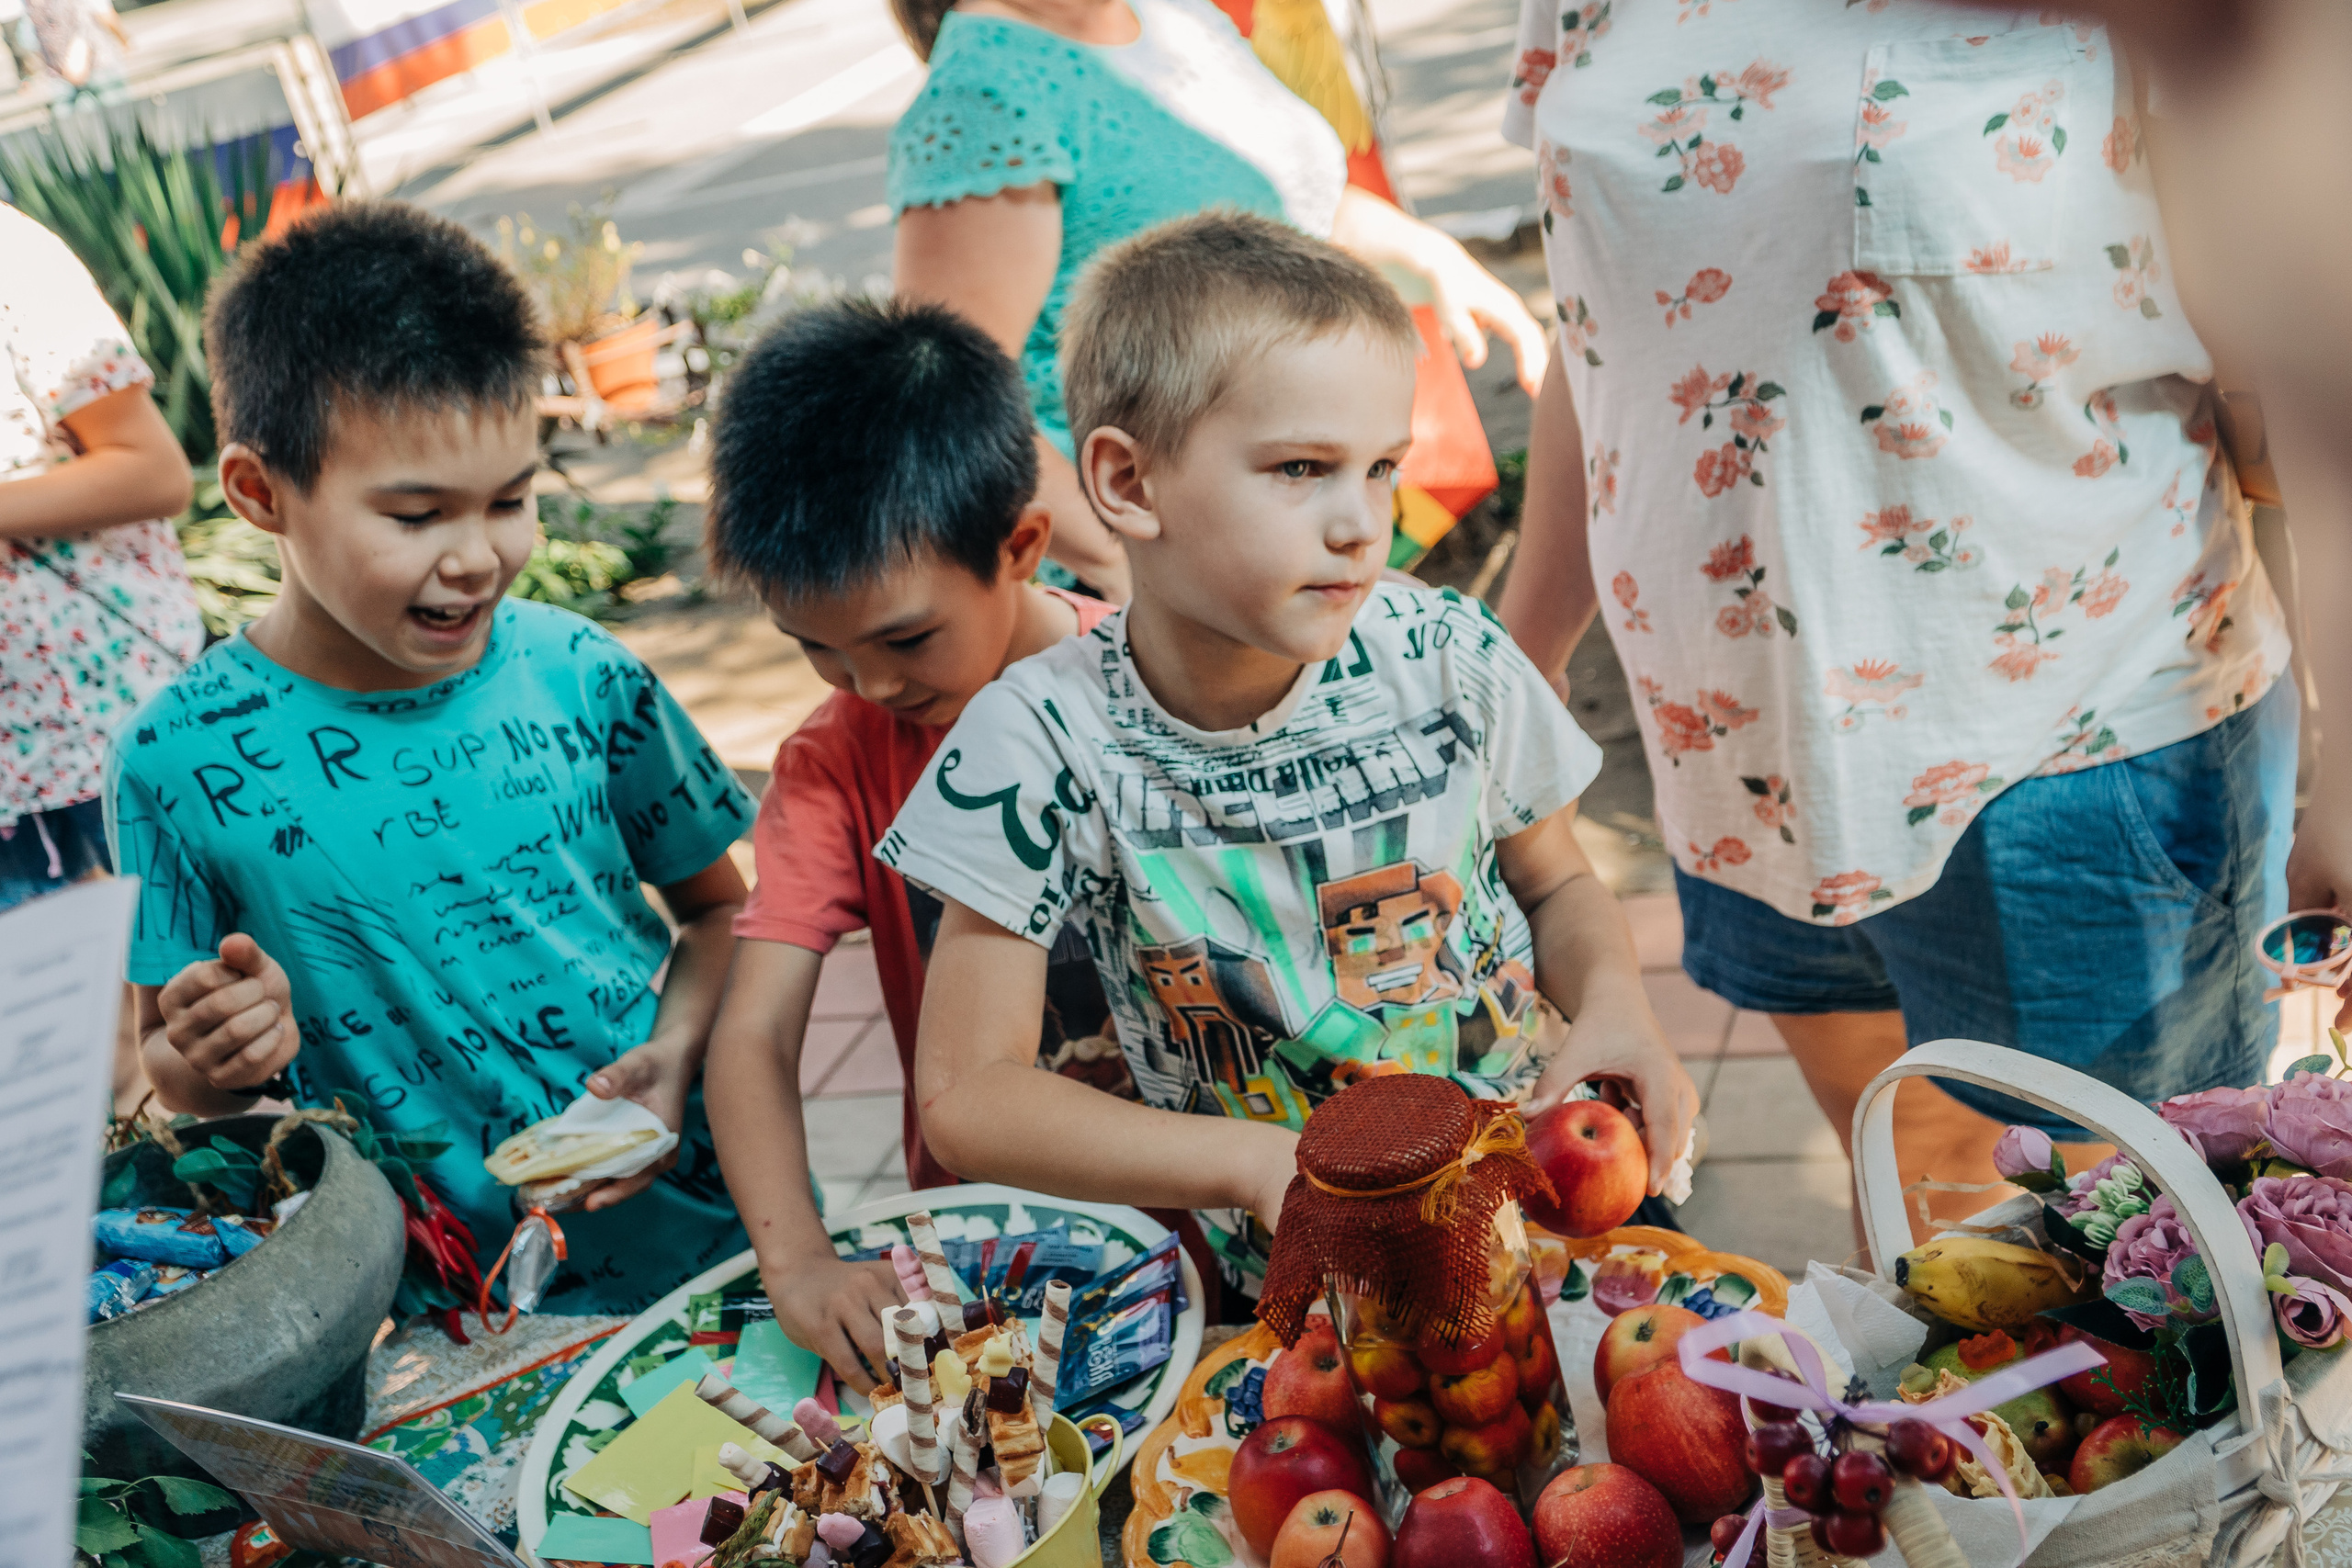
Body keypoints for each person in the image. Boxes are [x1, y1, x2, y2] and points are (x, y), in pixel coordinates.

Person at [1494, 5, 2297, 1229]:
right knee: (1927, 1229)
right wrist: (1520, 659)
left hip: (2077, 747)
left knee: (2141, 1276)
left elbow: (2295, 363)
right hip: (1737, 747)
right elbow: (1602, 318)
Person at [885, 211, 1699, 1298]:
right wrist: (1255, 1164)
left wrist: (1613, 1008)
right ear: (1128, 485)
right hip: (1316, 1285)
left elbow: (1555, 884)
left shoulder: (1452, 655)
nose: (1363, 522)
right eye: (1303, 467)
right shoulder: (1036, 741)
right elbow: (967, 1095)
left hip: (1555, 1210)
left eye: (1380, 468)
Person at [107, 202, 754, 1314]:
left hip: (706, 1227)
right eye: (415, 514)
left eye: (511, 500)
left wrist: (678, 1053)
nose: (477, 557)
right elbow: (169, 1069)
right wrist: (213, 1057)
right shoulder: (173, 761)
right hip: (439, 1303)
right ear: (262, 494)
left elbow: (720, 912)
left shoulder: (581, 672)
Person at [699, 298, 1125, 1389]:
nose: (874, 685)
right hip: (996, 1242)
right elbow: (751, 1036)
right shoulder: (835, 761)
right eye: (820, 652)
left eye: (904, 639)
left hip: (1215, 1198)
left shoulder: (1144, 687)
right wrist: (795, 1259)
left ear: (1020, 545)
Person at [885, 0, 1550, 601]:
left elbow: (1279, 199)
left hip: (1282, 533)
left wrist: (1434, 262)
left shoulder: (1174, 13)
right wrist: (1126, 574)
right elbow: (948, 396)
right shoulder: (983, 97)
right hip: (1169, 580)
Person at [2, 202, 198, 1115]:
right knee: (77, 1099)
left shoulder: (15, 263)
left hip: (92, 741)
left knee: (174, 1056)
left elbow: (154, 469)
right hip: (18, 785)